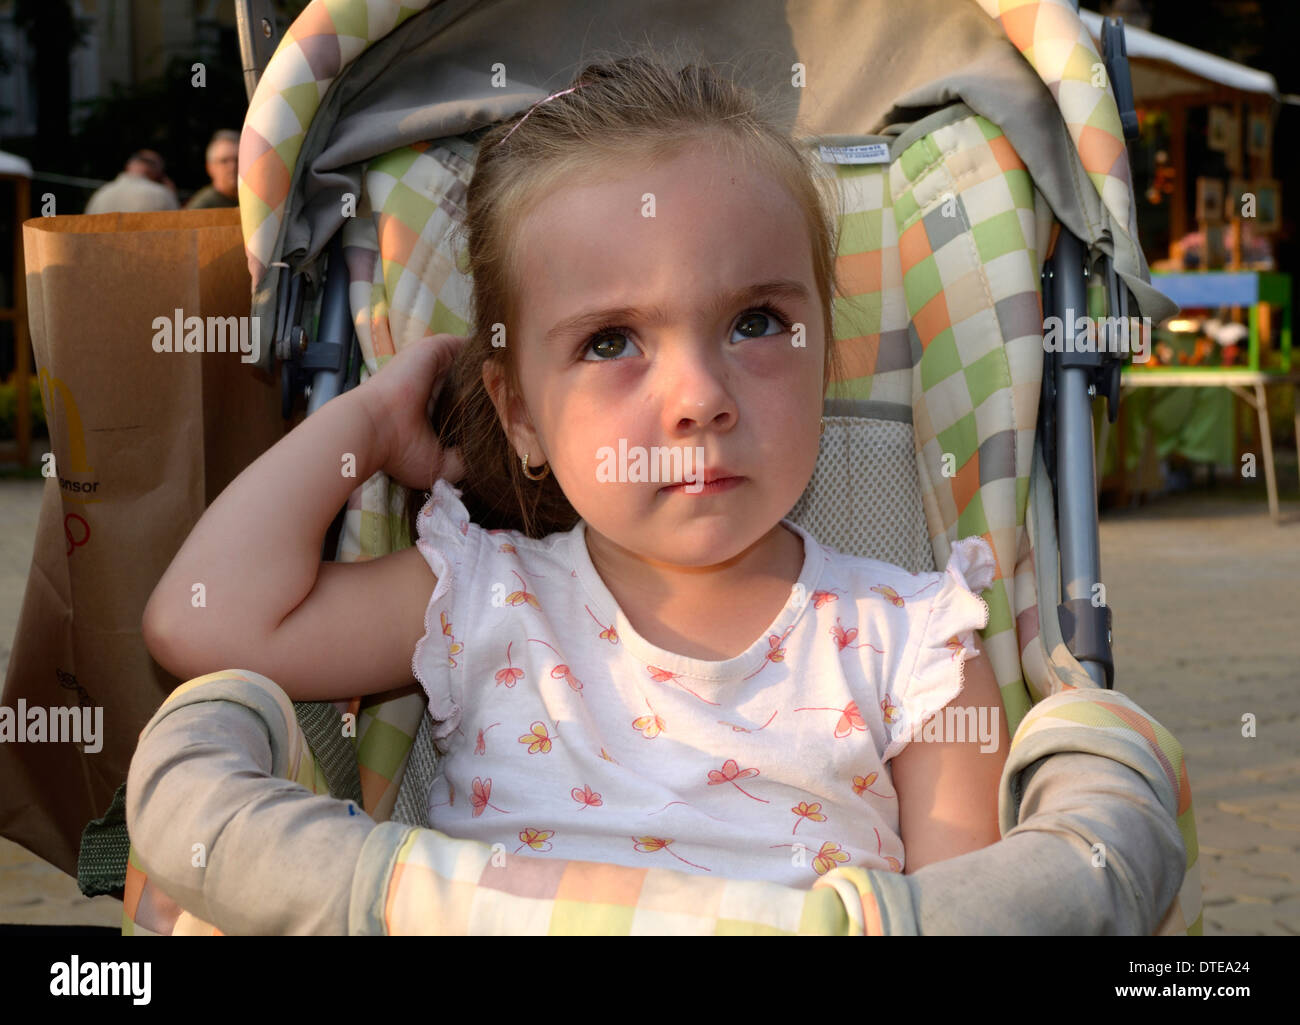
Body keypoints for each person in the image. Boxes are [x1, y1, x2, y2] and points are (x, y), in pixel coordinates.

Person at [142, 55, 1009, 885]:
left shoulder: (914, 651)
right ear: (521, 414)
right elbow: (200, 621)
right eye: (610, 341)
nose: (699, 398)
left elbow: (978, 913)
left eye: (755, 322)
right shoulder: (483, 604)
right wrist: (369, 422)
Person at [84, 150, 179, 214]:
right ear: (155, 171)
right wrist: (171, 195)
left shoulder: (101, 193)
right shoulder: (162, 193)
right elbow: (178, 228)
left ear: (128, 165)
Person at [184, 130, 240, 210]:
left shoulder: (256, 198)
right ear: (210, 167)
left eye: (237, 160)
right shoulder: (201, 207)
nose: (233, 167)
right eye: (224, 161)